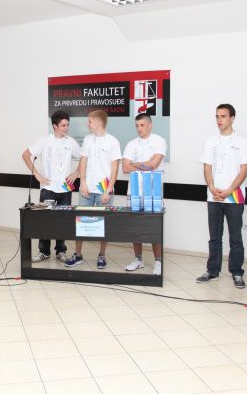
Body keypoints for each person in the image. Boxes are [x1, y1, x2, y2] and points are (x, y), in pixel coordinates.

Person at [197, 104, 247, 288]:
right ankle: (212, 270)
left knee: (235, 237)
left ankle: (237, 272)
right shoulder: (210, 141)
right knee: (214, 236)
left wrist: (229, 190)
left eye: (223, 116)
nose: (219, 120)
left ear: (232, 118)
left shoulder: (242, 141)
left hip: (234, 197)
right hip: (213, 196)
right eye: (217, 116)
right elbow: (207, 168)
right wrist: (212, 187)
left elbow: (244, 170)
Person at [65, 110, 122, 269]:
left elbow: (115, 167)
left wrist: (108, 190)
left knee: (104, 224)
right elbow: (83, 161)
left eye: (90, 121)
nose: (88, 124)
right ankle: (78, 255)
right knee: (81, 222)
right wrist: (82, 182)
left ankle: (102, 255)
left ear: (98, 122)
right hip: (86, 190)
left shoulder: (113, 141)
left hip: (104, 191)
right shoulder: (88, 139)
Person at [22, 110, 80, 262]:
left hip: (65, 189)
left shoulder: (70, 142)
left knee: (62, 221)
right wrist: (37, 175)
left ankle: (61, 251)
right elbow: (25, 155)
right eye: (63, 125)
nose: (66, 128)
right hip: (47, 189)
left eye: (67, 125)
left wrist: (76, 173)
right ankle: (44, 251)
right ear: (55, 126)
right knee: (45, 221)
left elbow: (84, 157)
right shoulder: (44, 141)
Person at [122, 113, 167, 275]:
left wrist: (135, 164)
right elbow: (125, 168)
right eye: (137, 125)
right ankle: (138, 259)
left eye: (142, 125)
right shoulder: (131, 144)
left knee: (154, 227)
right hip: (134, 191)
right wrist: (144, 164)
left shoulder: (159, 141)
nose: (139, 128)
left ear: (150, 125)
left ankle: (158, 261)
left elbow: (154, 165)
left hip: (153, 192)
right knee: (135, 227)